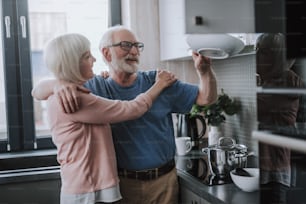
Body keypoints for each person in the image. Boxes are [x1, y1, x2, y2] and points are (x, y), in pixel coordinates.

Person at [32, 25, 217, 204]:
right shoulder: (91, 88)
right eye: (126, 45)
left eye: (137, 46)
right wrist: (55, 84)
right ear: (106, 53)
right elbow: (37, 92)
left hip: (164, 184)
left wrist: (204, 71)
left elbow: (206, 99)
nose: (134, 51)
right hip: (121, 187)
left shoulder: (160, 80)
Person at [256, 33, 304, 204]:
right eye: (257, 49)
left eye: (263, 52)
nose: (257, 55)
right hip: (268, 168)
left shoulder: (284, 80)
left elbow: (255, 105)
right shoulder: (267, 81)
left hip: (274, 171)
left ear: (276, 57)